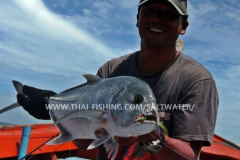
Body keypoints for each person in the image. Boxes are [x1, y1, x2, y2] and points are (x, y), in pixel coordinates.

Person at [17, 0, 219, 159]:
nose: (157, 19)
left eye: (169, 14)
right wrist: (55, 110)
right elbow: (85, 145)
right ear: (138, 18)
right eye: (149, 11)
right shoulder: (111, 70)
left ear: (183, 26)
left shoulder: (197, 81)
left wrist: (148, 135)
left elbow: (190, 157)